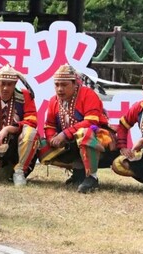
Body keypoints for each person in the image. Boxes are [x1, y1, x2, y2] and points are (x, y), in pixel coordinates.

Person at [38, 64, 114, 193]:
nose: (60, 89)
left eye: (64, 85)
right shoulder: (53, 101)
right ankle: (78, 173)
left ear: (75, 84)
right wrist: (52, 139)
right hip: (70, 143)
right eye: (57, 85)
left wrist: (64, 134)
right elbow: (49, 125)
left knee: (84, 133)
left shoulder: (88, 94)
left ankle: (92, 178)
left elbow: (91, 122)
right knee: (42, 146)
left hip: (98, 139)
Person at [111, 77, 143, 193]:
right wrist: (123, 146)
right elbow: (123, 125)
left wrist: (142, 140)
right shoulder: (140, 107)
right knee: (119, 163)